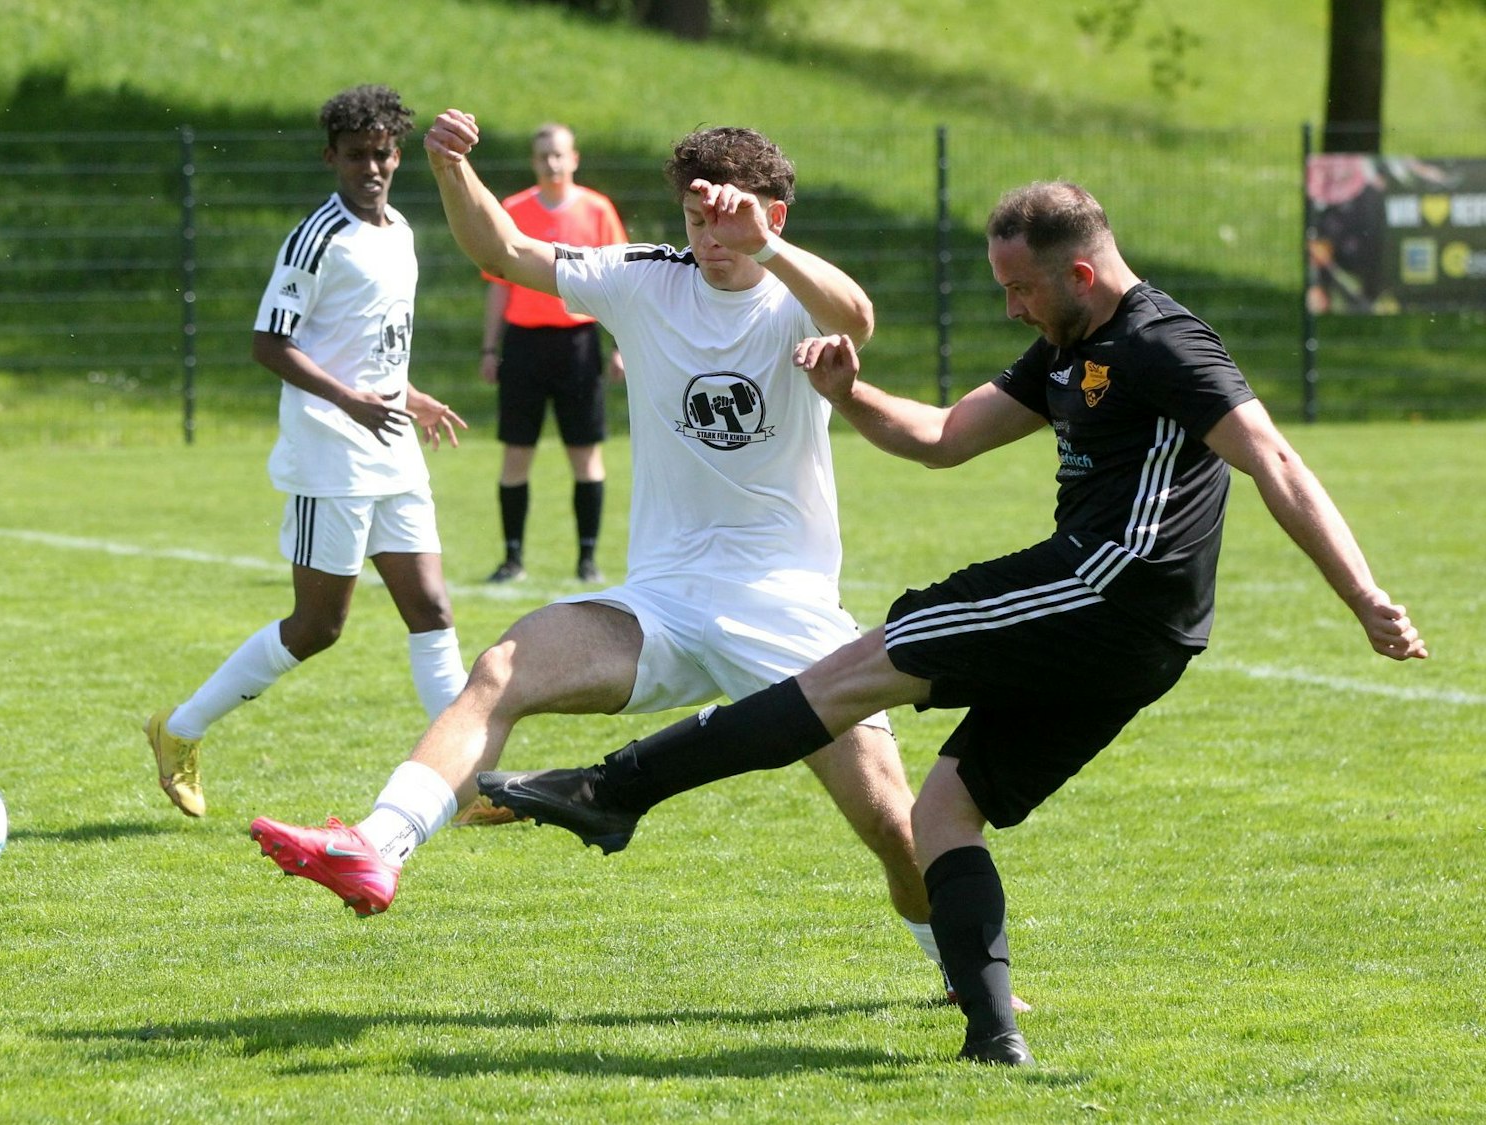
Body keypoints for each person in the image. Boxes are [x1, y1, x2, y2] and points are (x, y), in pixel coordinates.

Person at [476, 181, 1429, 1066]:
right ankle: (993, 1038)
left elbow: (1276, 460)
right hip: (1142, 640)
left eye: (1019, 289)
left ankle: (615, 788)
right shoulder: (1067, 342)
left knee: (854, 668)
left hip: (1105, 589)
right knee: (943, 809)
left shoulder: (1160, 343)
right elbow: (940, 438)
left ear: (1081, 274)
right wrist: (846, 395)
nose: (1010, 306)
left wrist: (1363, 596)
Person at [249, 107, 967, 1002]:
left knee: (895, 828)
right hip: (659, 605)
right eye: (698, 219)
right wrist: (448, 169)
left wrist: (767, 246)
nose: (709, 237)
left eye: (731, 218)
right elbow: (507, 253)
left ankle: (965, 978)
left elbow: (859, 313)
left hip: (790, 614)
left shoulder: (798, 297)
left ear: (773, 215)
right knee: (502, 668)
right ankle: (377, 845)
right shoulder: (644, 280)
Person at [141, 85, 468, 818]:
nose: (372, 167)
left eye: (383, 153)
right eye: (357, 155)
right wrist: (348, 401)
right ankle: (179, 728)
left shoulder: (401, 230)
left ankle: (464, 781)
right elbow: (270, 343)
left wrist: (404, 393)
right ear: (332, 158)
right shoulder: (316, 238)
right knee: (318, 628)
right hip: (333, 459)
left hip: (392, 449)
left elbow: (365, 340)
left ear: (397, 154)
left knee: (433, 610)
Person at [479, 123, 626, 586]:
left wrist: (620, 345)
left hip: (578, 344)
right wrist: (490, 347)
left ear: (574, 158)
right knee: (516, 454)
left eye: (559, 155)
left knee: (585, 456)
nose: (552, 163)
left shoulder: (597, 210)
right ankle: (512, 558)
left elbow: (622, 285)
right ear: (533, 161)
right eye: (543, 156)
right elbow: (499, 286)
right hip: (523, 344)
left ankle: (587, 560)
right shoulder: (513, 210)